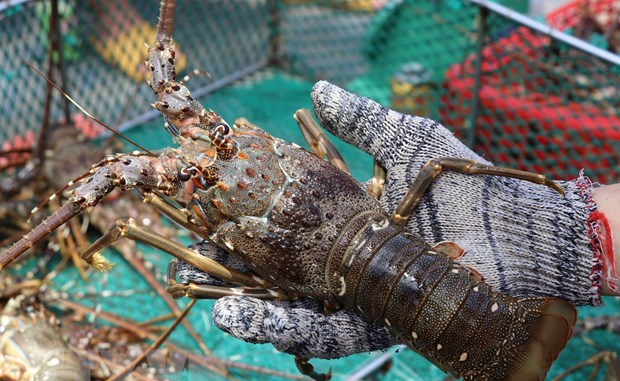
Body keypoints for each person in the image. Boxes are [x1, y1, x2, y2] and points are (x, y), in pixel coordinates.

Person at [175, 81, 620, 360]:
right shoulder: (282, 146)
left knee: (191, 278)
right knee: (436, 167)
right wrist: (568, 230)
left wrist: (558, 228)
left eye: (221, 139)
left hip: (401, 282)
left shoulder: (209, 207)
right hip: (403, 258)